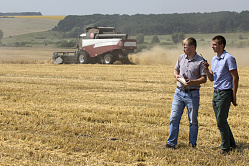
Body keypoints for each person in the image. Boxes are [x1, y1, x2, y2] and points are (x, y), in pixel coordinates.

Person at [166, 37, 207, 149]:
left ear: (192, 47)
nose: (183, 49)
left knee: (193, 121)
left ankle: (192, 144)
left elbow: (204, 79)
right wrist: (177, 76)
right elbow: (175, 70)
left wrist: (192, 82)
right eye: (183, 46)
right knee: (174, 118)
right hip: (179, 92)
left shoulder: (200, 61)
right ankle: (171, 143)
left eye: (185, 46)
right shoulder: (181, 58)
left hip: (193, 94)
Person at [203, 35, 239, 155]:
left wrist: (234, 95)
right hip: (216, 93)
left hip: (225, 93)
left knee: (220, 122)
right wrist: (207, 70)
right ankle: (232, 144)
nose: (212, 46)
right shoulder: (214, 59)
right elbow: (212, 79)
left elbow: (235, 77)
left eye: (214, 44)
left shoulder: (229, 58)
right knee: (222, 120)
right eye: (212, 44)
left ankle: (225, 148)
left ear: (221, 45)